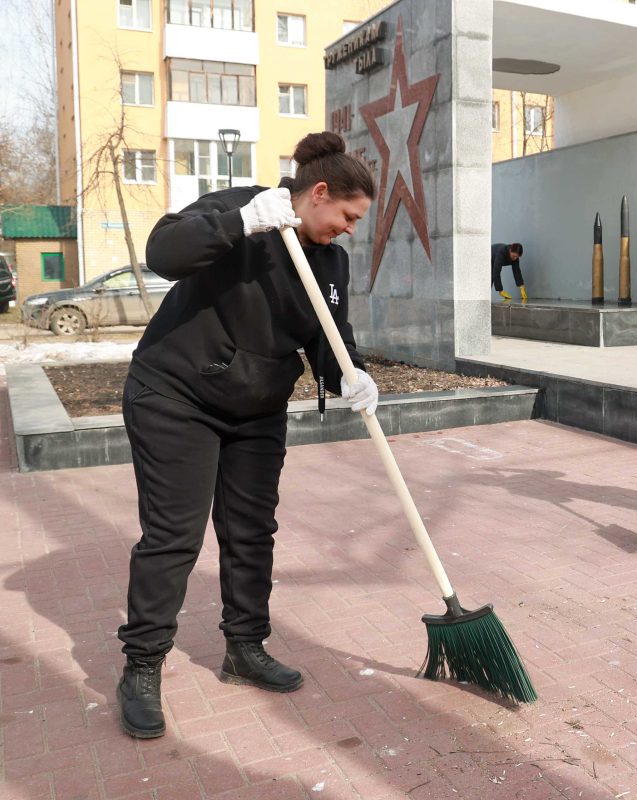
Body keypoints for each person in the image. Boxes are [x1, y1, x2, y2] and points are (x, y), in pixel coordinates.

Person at [116, 131, 379, 739]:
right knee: (173, 535)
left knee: (251, 530)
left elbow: (327, 334)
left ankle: (245, 647)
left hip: (256, 408)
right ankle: (142, 665)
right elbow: (165, 253)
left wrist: (351, 376)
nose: (349, 230)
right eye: (346, 216)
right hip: (174, 394)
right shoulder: (243, 206)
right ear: (318, 193)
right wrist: (239, 222)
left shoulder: (331, 260)